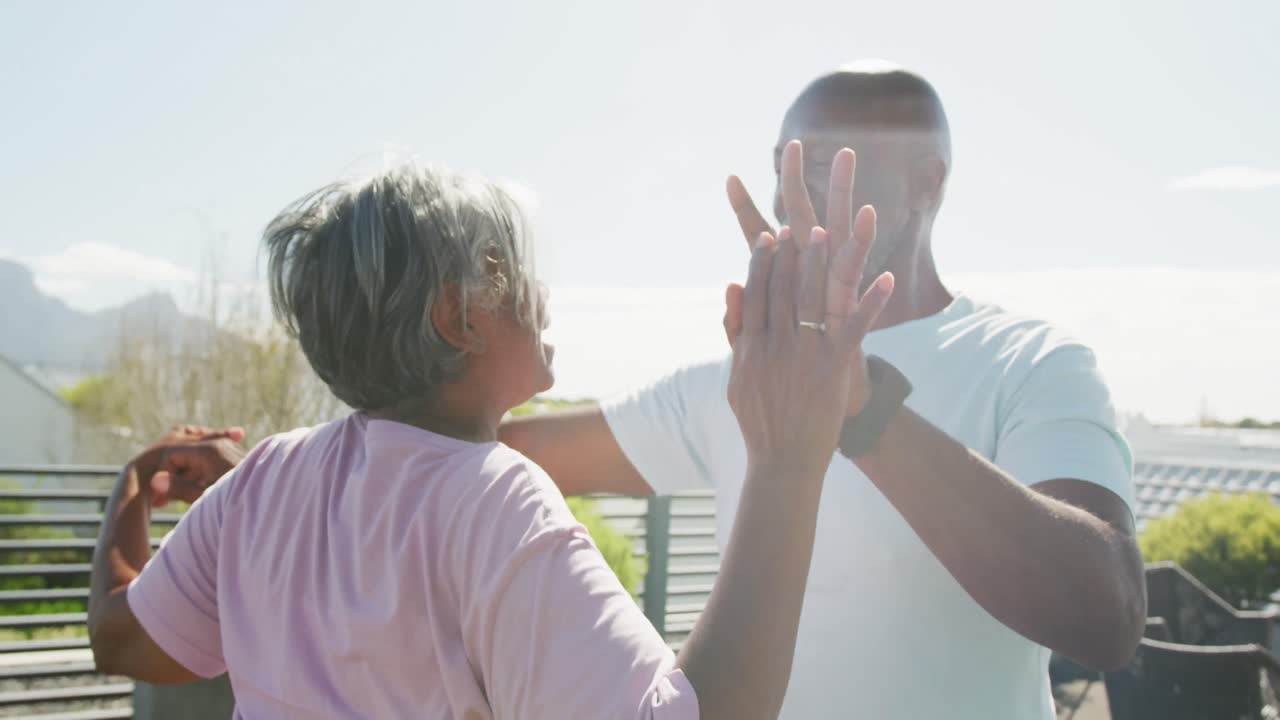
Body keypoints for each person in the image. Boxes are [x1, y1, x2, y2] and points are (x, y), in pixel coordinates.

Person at [87, 161, 894, 718]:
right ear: (457, 316)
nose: (540, 292)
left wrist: (131, 484)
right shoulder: (494, 499)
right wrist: (789, 460)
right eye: (513, 270)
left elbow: (121, 638)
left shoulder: (264, 481)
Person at [499, 63, 1147, 719]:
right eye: (783, 164)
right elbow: (504, 450)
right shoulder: (746, 376)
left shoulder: (1030, 362)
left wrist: (863, 408)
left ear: (928, 180)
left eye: (826, 163)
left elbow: (1108, 616)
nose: (789, 193)